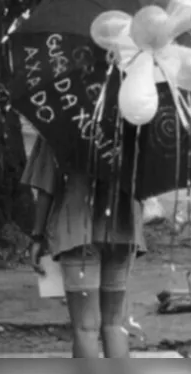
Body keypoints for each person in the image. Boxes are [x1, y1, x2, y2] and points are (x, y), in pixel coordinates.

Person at [23, 136, 146, 358]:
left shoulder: (59, 118)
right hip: (123, 229)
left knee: (86, 328)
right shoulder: (134, 121)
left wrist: (37, 236)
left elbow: (45, 187)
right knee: (113, 324)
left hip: (77, 229)